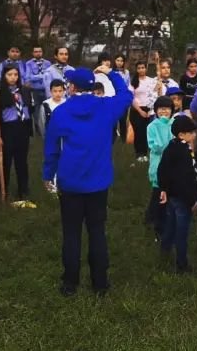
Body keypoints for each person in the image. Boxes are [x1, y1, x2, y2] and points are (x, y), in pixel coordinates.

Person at [43, 64, 133, 296]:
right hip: (98, 181)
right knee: (97, 230)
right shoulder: (106, 107)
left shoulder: (61, 112)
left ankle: (70, 282)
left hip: (70, 181)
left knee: (71, 232)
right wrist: (110, 73)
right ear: (92, 87)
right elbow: (126, 95)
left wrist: (48, 174)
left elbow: (52, 149)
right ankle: (100, 283)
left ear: (72, 87)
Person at [157, 115, 197, 274]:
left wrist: (164, 189)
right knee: (182, 232)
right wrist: (192, 200)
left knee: (170, 223)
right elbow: (186, 179)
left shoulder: (171, 147)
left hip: (172, 196)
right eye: (191, 133)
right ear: (182, 134)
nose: (194, 135)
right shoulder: (184, 153)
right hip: (183, 199)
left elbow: (162, 170)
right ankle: (182, 263)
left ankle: (165, 247)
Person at [0, 65, 34, 206]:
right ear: (4, 76)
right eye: (9, 75)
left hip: (22, 128)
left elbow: (30, 108)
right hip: (7, 129)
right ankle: (2, 189)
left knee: (22, 162)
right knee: (5, 161)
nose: (13, 77)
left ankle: (23, 190)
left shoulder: (25, 91)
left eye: (15, 74)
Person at [146, 97, 176, 240]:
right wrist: (169, 145)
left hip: (173, 166)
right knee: (158, 195)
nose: (164, 111)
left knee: (171, 196)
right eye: (161, 108)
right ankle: (158, 226)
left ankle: (170, 223)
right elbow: (155, 146)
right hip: (158, 165)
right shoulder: (152, 126)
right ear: (156, 111)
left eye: (167, 108)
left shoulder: (174, 123)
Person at [129, 61, 158, 162]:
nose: (141, 70)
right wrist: (140, 111)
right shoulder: (133, 82)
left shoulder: (151, 80)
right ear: (136, 70)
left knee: (146, 132)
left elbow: (154, 94)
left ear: (146, 69)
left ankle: (145, 153)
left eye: (143, 67)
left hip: (148, 109)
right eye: (139, 68)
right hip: (136, 109)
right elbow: (131, 98)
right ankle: (138, 153)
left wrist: (151, 110)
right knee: (138, 132)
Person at [23, 46, 52, 134]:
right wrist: (42, 76)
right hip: (35, 90)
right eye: (36, 51)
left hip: (46, 90)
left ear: (42, 52)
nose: (38, 53)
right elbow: (28, 77)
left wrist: (35, 77)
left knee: (47, 108)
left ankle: (48, 126)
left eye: (39, 51)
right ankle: (38, 127)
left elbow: (50, 75)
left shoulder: (48, 63)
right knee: (36, 109)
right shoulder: (29, 64)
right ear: (33, 53)